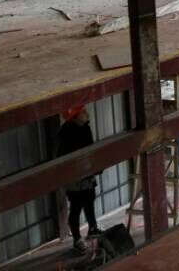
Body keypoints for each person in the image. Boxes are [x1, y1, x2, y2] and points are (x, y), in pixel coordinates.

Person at [56, 105, 102, 254]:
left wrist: (94, 166)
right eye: (83, 111)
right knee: (76, 205)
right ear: (75, 116)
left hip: (86, 172)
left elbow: (90, 150)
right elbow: (64, 156)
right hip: (74, 176)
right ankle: (77, 239)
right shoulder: (66, 131)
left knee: (89, 198)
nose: (87, 113)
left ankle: (93, 228)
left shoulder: (85, 128)